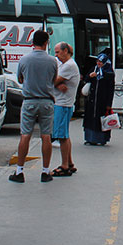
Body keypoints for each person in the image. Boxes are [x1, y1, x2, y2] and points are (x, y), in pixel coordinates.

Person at [10, 30, 57, 183]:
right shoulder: (52, 61)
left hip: (29, 100)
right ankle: (45, 171)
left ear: (32, 42)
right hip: (47, 101)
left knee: (25, 135)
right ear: (46, 43)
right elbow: (53, 79)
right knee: (46, 136)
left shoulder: (24, 59)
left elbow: (20, 78)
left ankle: (19, 171)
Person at [50, 42, 79, 177]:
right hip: (63, 103)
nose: (56, 55)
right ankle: (70, 162)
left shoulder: (69, 66)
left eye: (57, 52)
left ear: (66, 51)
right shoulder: (63, 64)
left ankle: (64, 165)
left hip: (63, 104)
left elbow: (51, 81)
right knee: (64, 135)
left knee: (62, 136)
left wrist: (56, 83)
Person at [83, 53, 116, 145]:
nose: (99, 63)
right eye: (98, 61)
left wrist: (109, 104)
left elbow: (111, 89)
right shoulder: (94, 69)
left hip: (102, 101)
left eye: (101, 62)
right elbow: (86, 79)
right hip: (92, 100)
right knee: (90, 119)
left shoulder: (109, 72)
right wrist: (90, 76)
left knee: (101, 120)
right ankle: (90, 138)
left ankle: (102, 139)